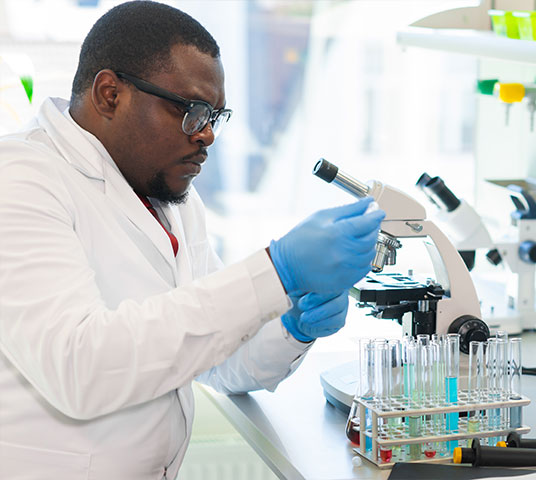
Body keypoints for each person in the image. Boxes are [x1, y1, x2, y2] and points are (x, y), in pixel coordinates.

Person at [0, 2, 385, 479]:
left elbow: (216, 360)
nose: (207, 135)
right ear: (109, 93)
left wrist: (291, 326)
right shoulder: (21, 179)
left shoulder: (169, 197)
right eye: (191, 110)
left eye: (215, 116)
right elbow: (81, 367)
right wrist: (274, 270)